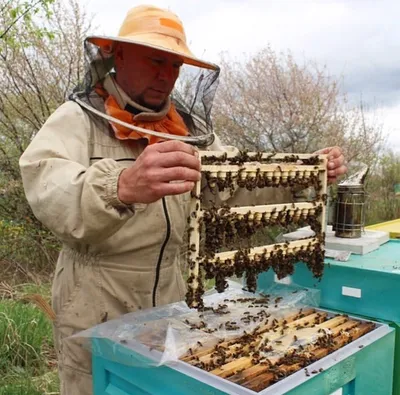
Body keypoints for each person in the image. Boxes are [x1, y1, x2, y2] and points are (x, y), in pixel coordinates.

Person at [19, 5, 347, 395]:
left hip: (175, 298)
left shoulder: (188, 129)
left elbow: (234, 187)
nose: (167, 75)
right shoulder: (77, 119)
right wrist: (121, 185)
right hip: (98, 299)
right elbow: (48, 190)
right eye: (157, 60)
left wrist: (301, 178)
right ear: (118, 55)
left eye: (175, 65)